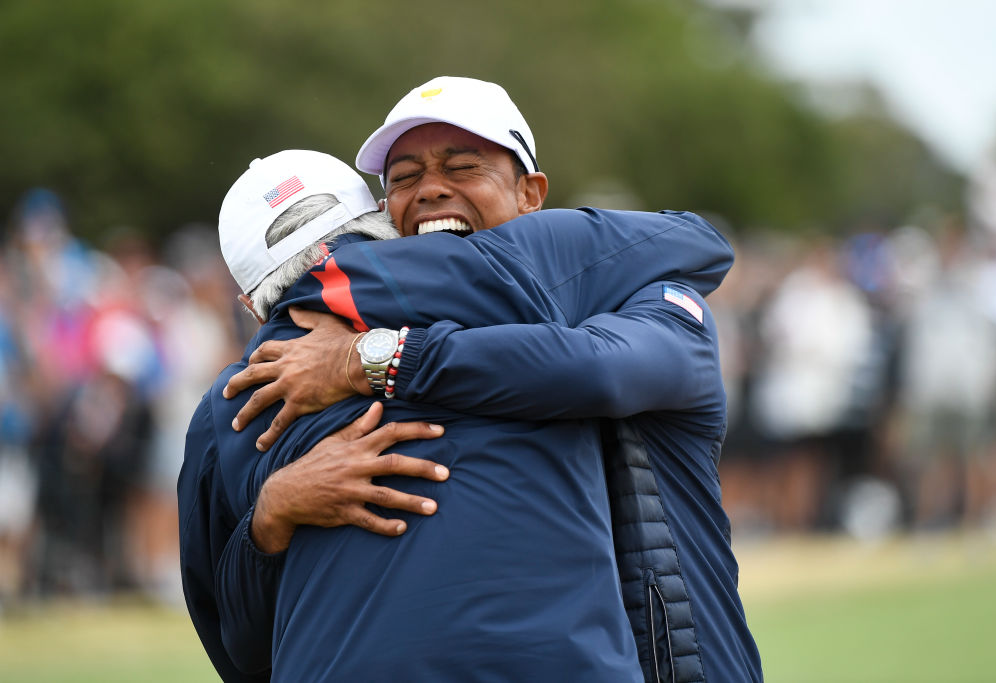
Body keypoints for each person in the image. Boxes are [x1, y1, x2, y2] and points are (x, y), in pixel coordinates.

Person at [220, 76, 762, 682]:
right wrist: (271, 515)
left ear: (532, 194)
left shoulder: (655, 299)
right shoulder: (288, 371)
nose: (429, 190)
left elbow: (601, 370)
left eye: (462, 166)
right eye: (403, 178)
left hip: (676, 663)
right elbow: (244, 640)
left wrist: (374, 357)